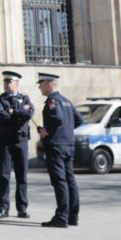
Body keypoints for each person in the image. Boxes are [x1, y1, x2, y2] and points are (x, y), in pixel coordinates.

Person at [37, 72, 83, 228]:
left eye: (41, 84)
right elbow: (79, 120)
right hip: (68, 145)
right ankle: (73, 216)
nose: (39, 87)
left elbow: (57, 119)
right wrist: (66, 131)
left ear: (49, 84)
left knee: (60, 181)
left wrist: (46, 131)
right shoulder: (66, 101)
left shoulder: (53, 101)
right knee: (70, 180)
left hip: (56, 146)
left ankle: (61, 217)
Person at [0, 70, 34, 219]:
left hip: (21, 140)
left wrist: (12, 112)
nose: (6, 84)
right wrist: (19, 113)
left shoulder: (25, 98)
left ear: (16, 83)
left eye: (9, 82)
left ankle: (22, 208)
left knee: (22, 176)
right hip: (5, 141)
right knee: (4, 175)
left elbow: (29, 114)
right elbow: (0, 115)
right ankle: (3, 208)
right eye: (5, 81)